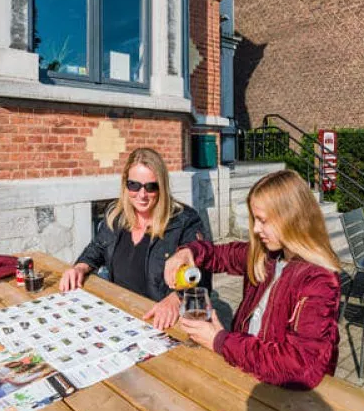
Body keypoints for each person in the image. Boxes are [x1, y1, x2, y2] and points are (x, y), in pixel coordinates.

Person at [164, 169, 342, 389]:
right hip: (244, 374)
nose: (256, 229)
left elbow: (299, 367)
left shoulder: (319, 281)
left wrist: (220, 341)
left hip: (281, 399)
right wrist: (189, 252)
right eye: (255, 219)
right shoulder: (268, 256)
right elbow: (222, 254)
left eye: (263, 220)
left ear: (291, 218)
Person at [59, 147, 209, 330]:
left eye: (151, 187)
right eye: (134, 185)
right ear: (125, 184)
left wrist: (177, 298)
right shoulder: (116, 215)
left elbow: (202, 275)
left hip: (161, 322)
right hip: (120, 316)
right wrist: (80, 267)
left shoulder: (185, 221)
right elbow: (97, 248)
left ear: (161, 187)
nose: (142, 194)